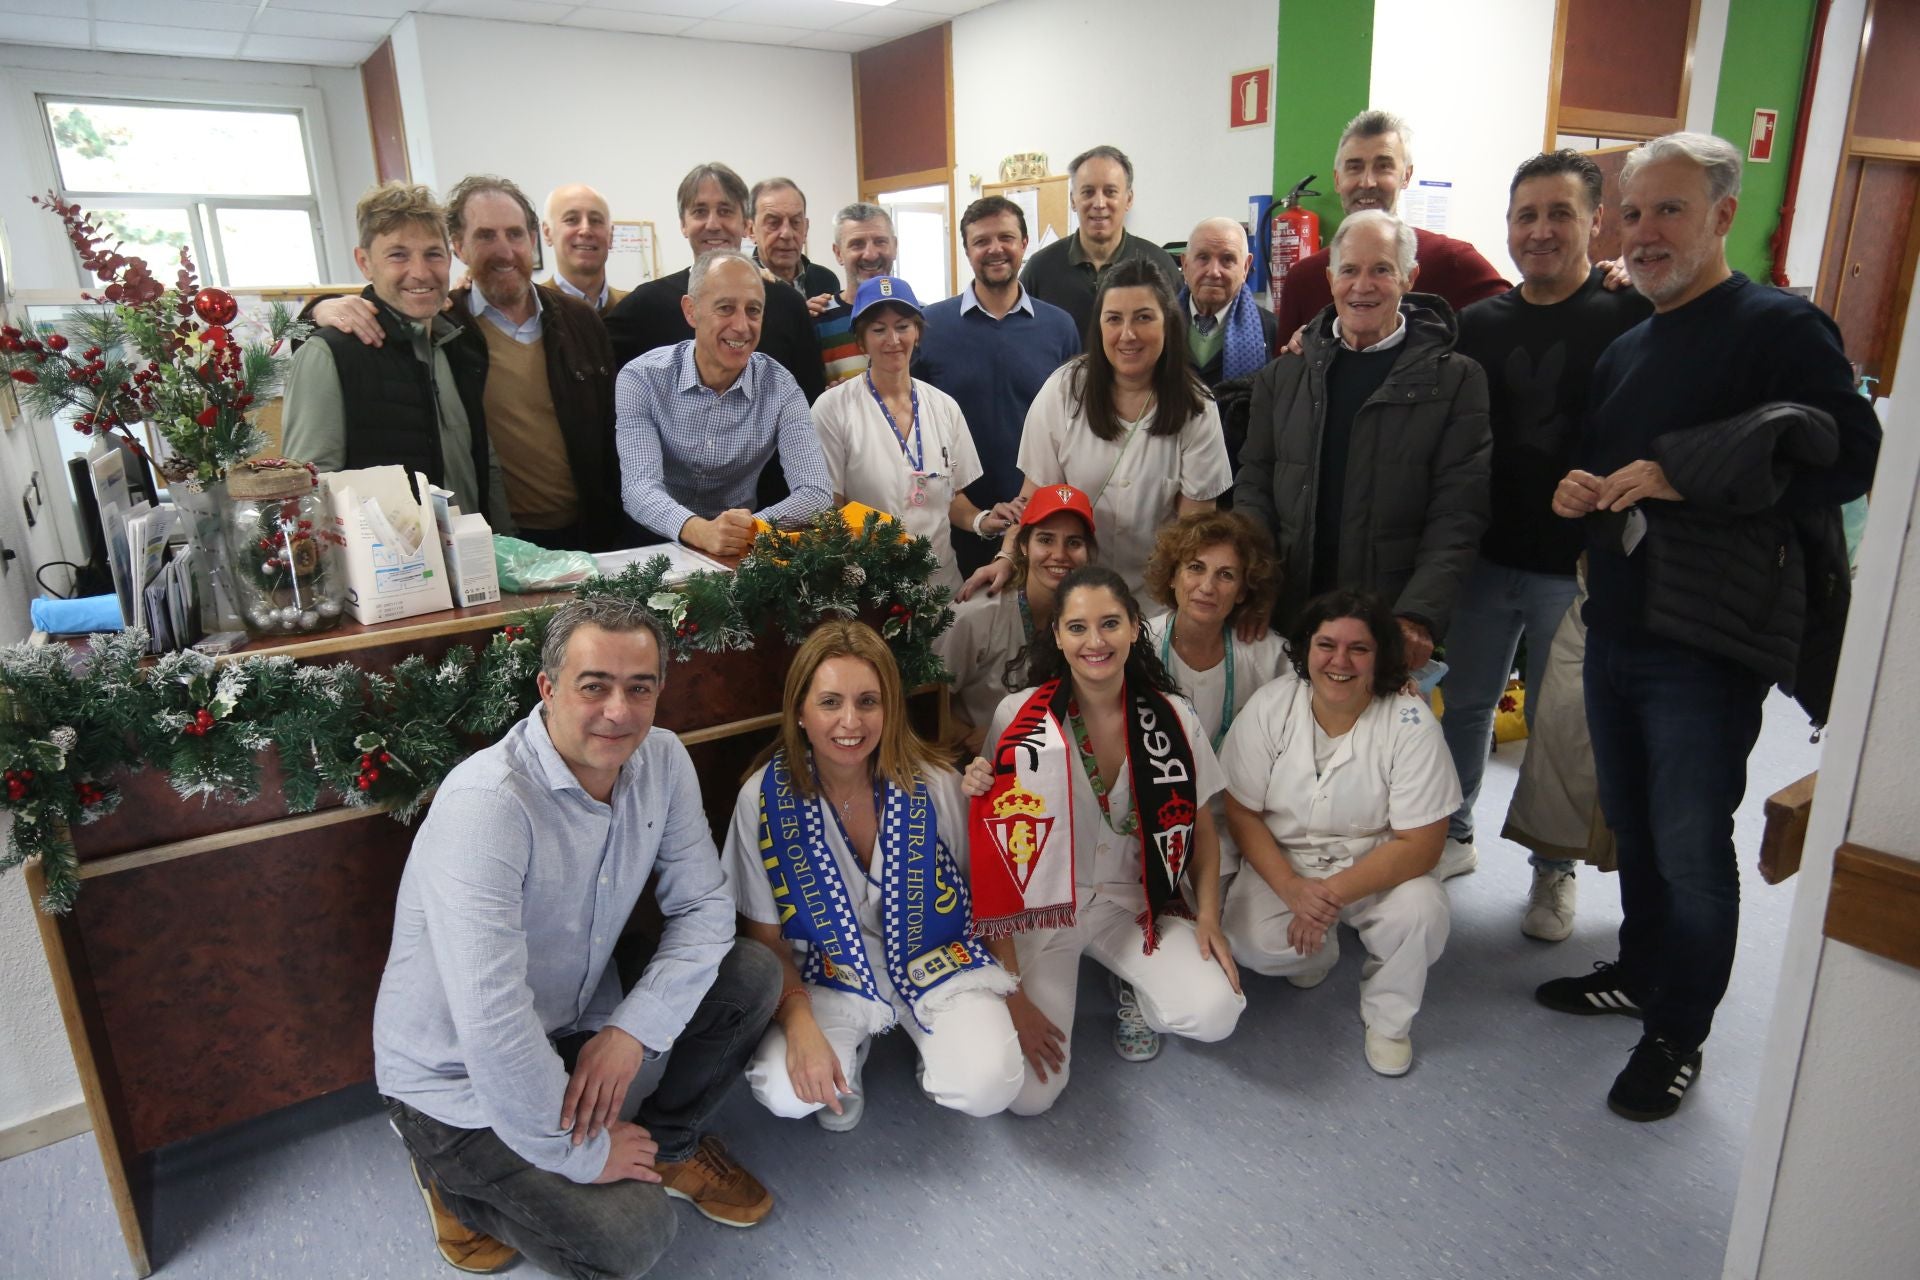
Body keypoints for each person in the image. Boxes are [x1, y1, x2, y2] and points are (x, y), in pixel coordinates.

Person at [1539, 132, 1879, 1122]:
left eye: (1670, 210)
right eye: (1633, 212)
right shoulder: (1626, 347)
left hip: (1708, 639)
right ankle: (1642, 973)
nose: (1644, 233)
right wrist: (1576, 487)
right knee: (1637, 824)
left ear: (1724, 215)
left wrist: (1693, 476)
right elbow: (1607, 460)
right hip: (1621, 618)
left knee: (1691, 838)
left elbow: (1850, 456)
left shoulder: (1779, 328)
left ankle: (1678, 1029)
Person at [373, 596, 782, 1278]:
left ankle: (665, 1150)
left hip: (572, 1017)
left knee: (751, 976)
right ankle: (456, 1186)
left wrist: (633, 1032)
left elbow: (707, 910)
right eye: (594, 687)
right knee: (631, 1238)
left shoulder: (663, 759)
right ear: (548, 689)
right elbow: (493, 1022)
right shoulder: (488, 805)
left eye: (639, 688)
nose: (618, 712)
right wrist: (580, 1156)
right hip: (453, 1078)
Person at [1438, 150, 1652, 922]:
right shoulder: (1477, 325)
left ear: (1596, 222)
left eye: (1560, 213)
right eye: (1526, 215)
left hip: (1582, 565)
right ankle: (1453, 829)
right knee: (1465, 705)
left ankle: (1552, 868)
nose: (1541, 231)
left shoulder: (1634, 316)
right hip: (1487, 559)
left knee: (1565, 722)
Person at [724, 620, 1023, 1131]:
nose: (850, 722)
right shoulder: (761, 799)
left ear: (890, 708)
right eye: (829, 702)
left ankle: (933, 1043)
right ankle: (850, 1048)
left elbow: (990, 900)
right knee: (785, 1091)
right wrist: (800, 1027)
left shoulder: (935, 782)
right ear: (799, 710)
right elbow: (765, 938)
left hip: (937, 963)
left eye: (868, 701)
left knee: (991, 1083)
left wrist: (1019, 995)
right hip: (829, 978)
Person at [964, 565, 1244, 1109]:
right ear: (1057, 636)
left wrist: (1208, 916)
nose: (1095, 641)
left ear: (1136, 627)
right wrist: (1013, 992)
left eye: (1110, 623)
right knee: (1030, 1096)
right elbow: (994, 863)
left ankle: (1137, 985)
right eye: (1078, 628)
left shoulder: (1174, 718)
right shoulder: (1017, 718)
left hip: (1133, 907)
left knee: (1216, 1011)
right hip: (1046, 913)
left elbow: (1202, 829)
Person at [1233, 209, 1491, 708]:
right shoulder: (1283, 377)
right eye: (1349, 270)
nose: (1362, 286)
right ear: (1330, 278)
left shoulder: (1456, 381)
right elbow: (1255, 485)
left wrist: (1418, 615)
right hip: (1290, 616)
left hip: (1386, 623)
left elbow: (1458, 512)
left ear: (1410, 278)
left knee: (1375, 773)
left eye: (1382, 269)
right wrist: (1257, 585)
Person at [298, 175, 631, 551]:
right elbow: (307, 484)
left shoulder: (576, 320)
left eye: (515, 234)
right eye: (486, 236)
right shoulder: (453, 326)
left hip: (579, 531)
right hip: (440, 553)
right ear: (460, 246)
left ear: (533, 239)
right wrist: (318, 310)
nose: (504, 250)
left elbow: (611, 431)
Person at [1220, 589, 1458, 1076]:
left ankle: (1389, 1019)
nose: (1340, 661)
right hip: (1287, 861)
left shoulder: (1410, 723)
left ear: (1381, 657)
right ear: (1306, 648)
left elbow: (1423, 846)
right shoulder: (1272, 705)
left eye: (1359, 648)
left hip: (1378, 865)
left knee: (1421, 911)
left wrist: (1325, 896)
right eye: (1326, 645)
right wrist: (1291, 888)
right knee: (1249, 940)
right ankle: (1317, 952)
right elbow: (1241, 810)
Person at [966, 258, 1231, 599]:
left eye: (1144, 317)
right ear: (1099, 326)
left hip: (1156, 598)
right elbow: (1033, 500)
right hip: (1069, 591)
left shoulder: (1196, 406)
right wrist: (1006, 557)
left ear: (1168, 323)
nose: (1128, 334)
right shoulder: (1064, 390)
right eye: (1114, 319)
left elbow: (1194, 532)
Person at [282, 181, 510, 528]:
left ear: (449, 258)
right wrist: (313, 311)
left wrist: (505, 541)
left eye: (433, 253)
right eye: (398, 254)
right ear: (365, 263)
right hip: (387, 574)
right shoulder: (329, 353)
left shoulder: (461, 344)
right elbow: (306, 491)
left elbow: (485, 462)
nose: (420, 272)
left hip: (473, 561)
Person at [615, 249, 832, 556]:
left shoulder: (781, 387)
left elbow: (816, 491)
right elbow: (639, 489)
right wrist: (699, 530)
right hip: (653, 548)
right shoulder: (642, 378)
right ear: (691, 311)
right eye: (726, 308)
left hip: (740, 550)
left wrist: (743, 529)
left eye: (753, 310)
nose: (742, 326)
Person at [811, 276, 1018, 591]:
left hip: (941, 586)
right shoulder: (833, 408)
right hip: (871, 590)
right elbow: (829, 512)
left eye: (903, 326)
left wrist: (982, 520)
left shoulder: (944, 407)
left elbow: (953, 499)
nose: (893, 339)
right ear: (861, 341)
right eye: (878, 329)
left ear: (918, 333)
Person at [916, 196, 1080, 576]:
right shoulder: (930, 327)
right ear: (967, 250)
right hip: (953, 521)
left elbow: (1073, 425)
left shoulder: (1060, 327)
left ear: (1024, 244)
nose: (995, 249)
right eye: (981, 241)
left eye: (1006, 237)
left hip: (1042, 520)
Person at [1140, 510, 1289, 885]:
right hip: (1145, 820)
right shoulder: (1135, 645)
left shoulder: (1270, 657)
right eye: (1195, 567)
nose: (1207, 586)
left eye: (1226, 575)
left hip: (1232, 823)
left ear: (1242, 591)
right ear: (1173, 575)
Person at [1272, 111, 1509, 343]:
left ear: (1406, 176)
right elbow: (1281, 375)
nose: (1367, 182)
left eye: (1383, 166)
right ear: (1337, 179)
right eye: (1354, 167)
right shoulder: (1303, 278)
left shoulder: (1454, 262)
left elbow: (1518, 320)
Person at [604, 163, 827, 404]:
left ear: (745, 224)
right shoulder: (646, 305)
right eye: (700, 211)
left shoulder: (787, 303)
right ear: (683, 224)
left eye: (725, 211)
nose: (713, 224)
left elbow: (809, 399)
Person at [938, 483, 1098, 753]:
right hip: (975, 767)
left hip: (1054, 760)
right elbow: (926, 698)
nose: (1059, 554)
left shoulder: (1090, 620)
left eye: (1074, 542)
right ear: (1023, 545)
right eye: (1046, 539)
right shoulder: (975, 614)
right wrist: (969, 736)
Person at [1020, 145, 1182, 345]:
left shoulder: (1159, 265)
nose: (1099, 203)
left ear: (1128, 199)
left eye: (1110, 192)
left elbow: (1177, 342)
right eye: (1087, 192)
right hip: (1061, 377)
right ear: (1073, 200)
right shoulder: (1040, 269)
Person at [1179, 216, 1276, 391]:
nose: (1214, 271)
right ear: (1185, 264)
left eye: (1227, 259)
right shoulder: (1158, 325)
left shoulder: (1272, 331)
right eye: (1203, 257)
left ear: (1246, 267)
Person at [810, 203, 899, 388]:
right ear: (838, 253)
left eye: (880, 241)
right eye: (857, 244)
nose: (870, 254)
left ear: (895, 246)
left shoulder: (919, 315)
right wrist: (829, 400)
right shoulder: (818, 321)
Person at [748, 177, 840, 298]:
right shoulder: (741, 284)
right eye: (773, 223)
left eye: (795, 222)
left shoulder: (825, 281)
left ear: (806, 228)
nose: (787, 234)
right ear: (751, 230)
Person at [543, 182, 628, 314]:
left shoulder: (634, 308)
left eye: (595, 220)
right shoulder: (531, 310)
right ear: (547, 233)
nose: (585, 230)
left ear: (610, 235)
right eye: (571, 219)